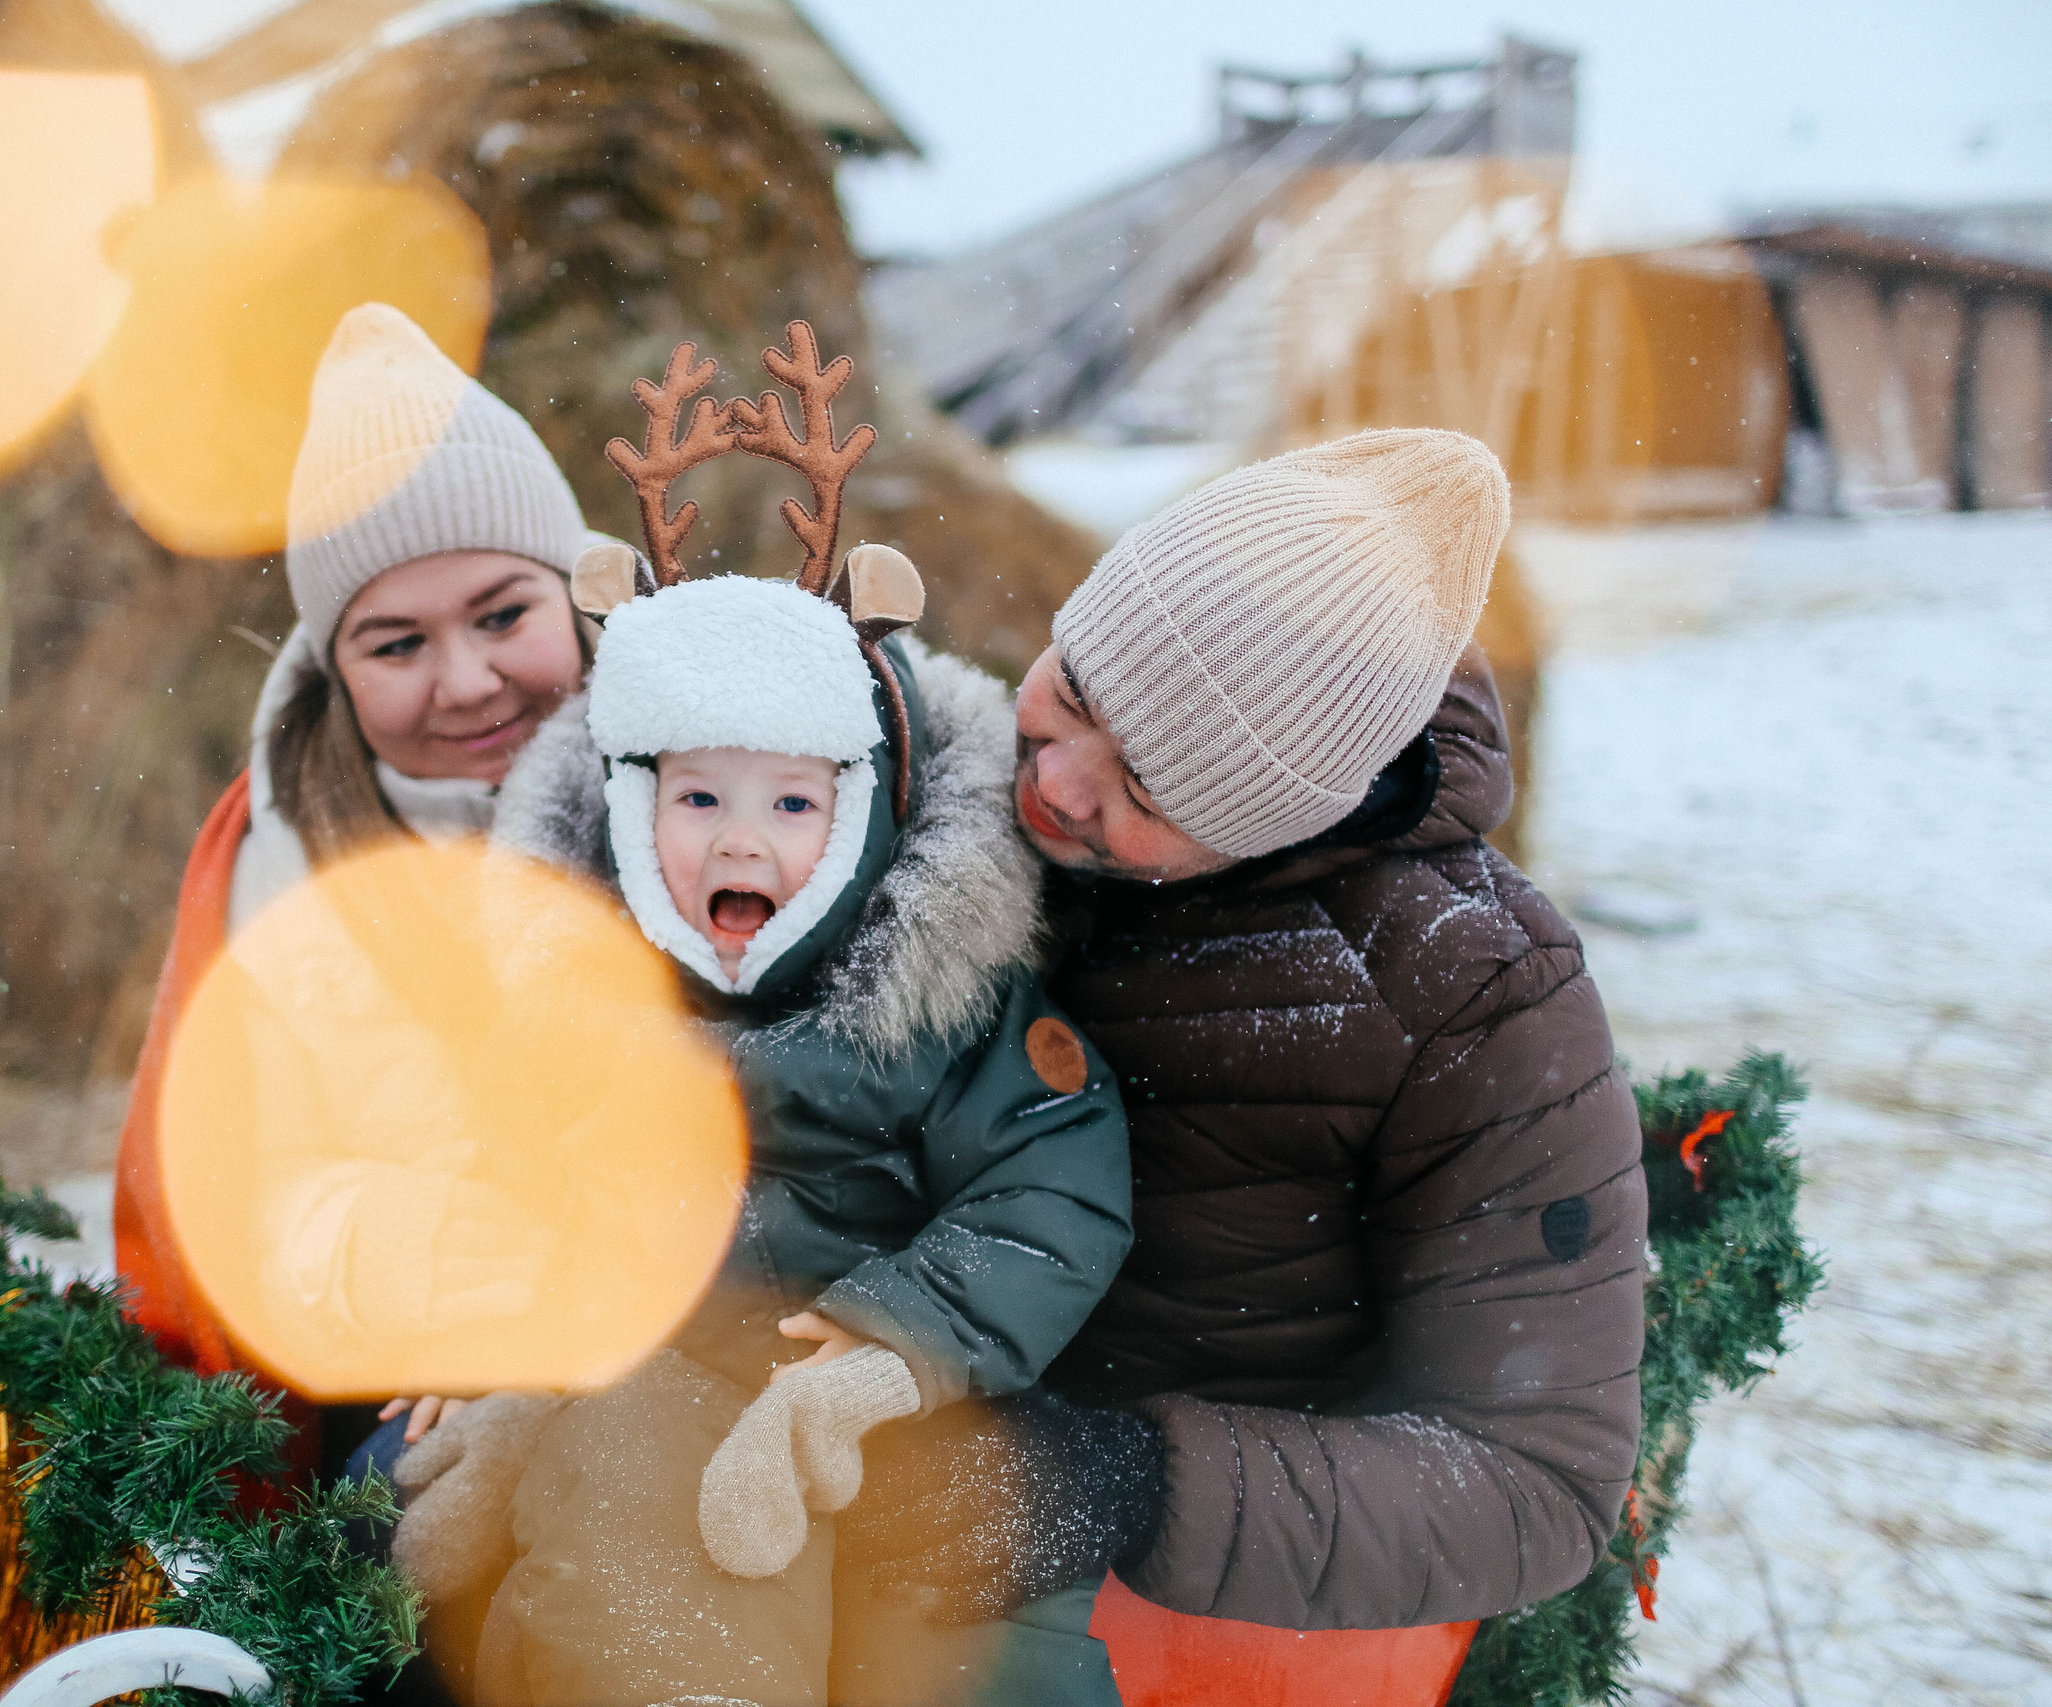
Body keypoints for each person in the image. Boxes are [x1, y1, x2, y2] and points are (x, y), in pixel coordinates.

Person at [838, 430, 1649, 1682]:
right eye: (1076, 690)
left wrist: (1130, 1485)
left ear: (1286, 814)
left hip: (1205, 1620)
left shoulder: (1475, 994)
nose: (1051, 783)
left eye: (1154, 793)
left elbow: (1538, 1481)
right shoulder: (945, 785)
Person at [390, 566, 1138, 1707]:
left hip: (889, 1397)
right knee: (629, 1533)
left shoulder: (944, 1008)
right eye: (697, 803)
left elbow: (1050, 1189)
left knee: (960, 1615)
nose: (742, 846)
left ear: (867, 816)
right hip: (654, 1375)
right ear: (631, 812)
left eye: (792, 806)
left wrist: (898, 1338)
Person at [110, 302, 599, 1472]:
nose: (468, 681)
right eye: (396, 645)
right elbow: (243, 1195)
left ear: (574, 595)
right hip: (415, 1379)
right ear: (335, 667)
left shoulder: (725, 788)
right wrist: (428, 1259)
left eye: (503, 615)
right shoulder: (282, 872)